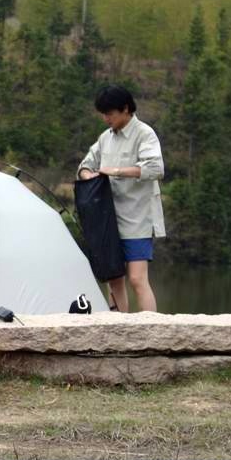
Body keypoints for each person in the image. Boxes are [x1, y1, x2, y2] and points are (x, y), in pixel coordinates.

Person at [77, 85, 165, 313]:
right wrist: (91, 175)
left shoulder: (144, 134)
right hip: (109, 219)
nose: (106, 119)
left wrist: (116, 170)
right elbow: (85, 166)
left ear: (125, 109)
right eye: (104, 114)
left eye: (110, 114)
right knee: (114, 279)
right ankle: (119, 329)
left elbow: (156, 168)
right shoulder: (105, 138)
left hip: (137, 218)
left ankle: (152, 332)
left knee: (137, 279)